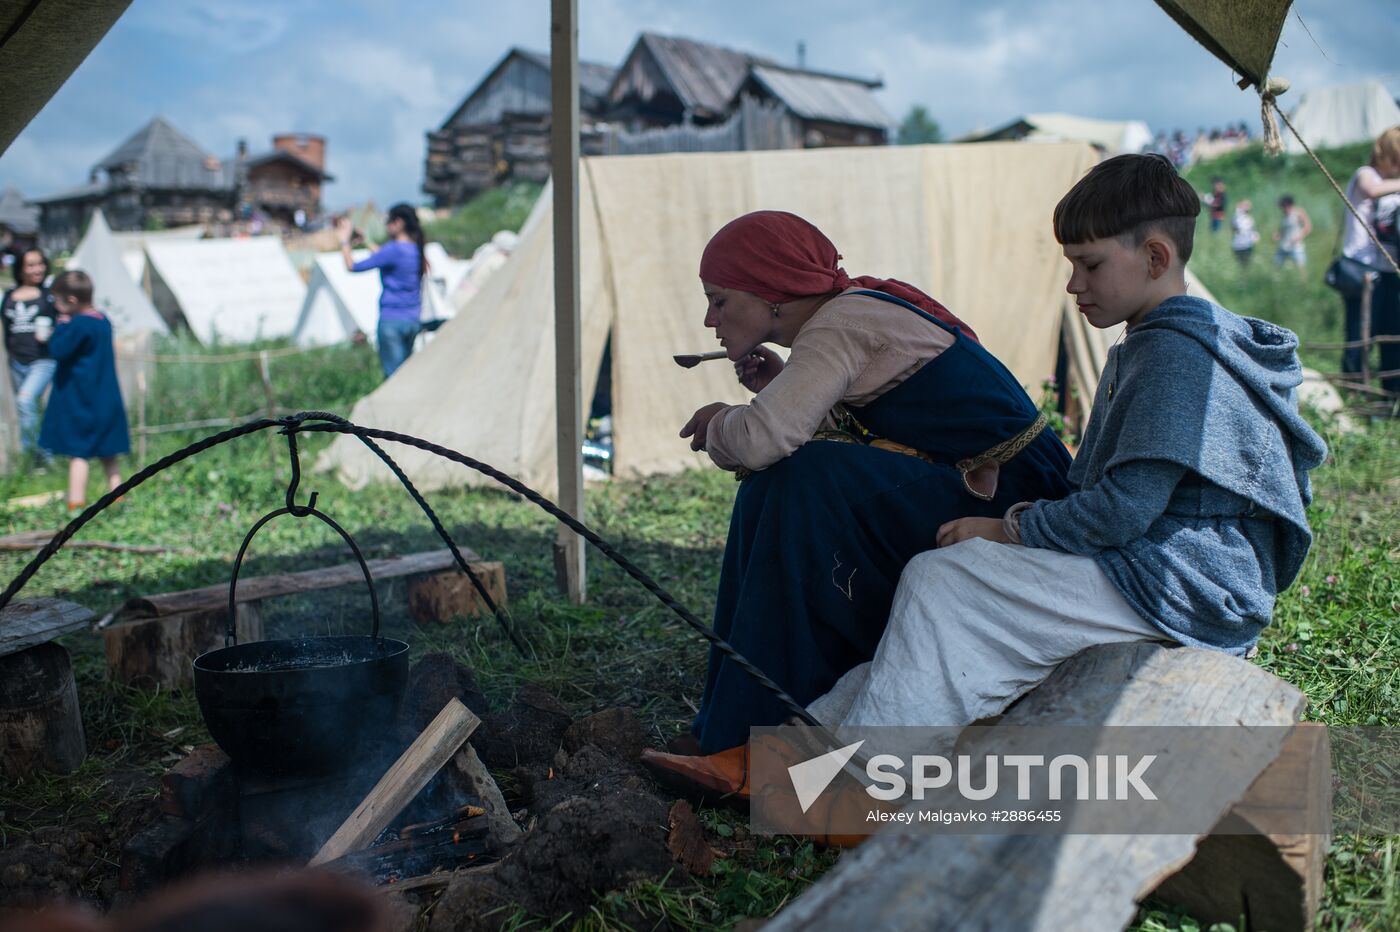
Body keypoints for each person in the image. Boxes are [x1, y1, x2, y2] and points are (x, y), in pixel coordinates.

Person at [803, 154, 1325, 746]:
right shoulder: (1161, 339)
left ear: (1155, 256)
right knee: (943, 606)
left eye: (1090, 264)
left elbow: (1121, 510)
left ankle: (867, 780)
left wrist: (1008, 529)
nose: (1075, 284)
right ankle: (807, 751)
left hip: (1185, 586)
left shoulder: (1175, 356)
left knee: (941, 583)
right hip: (1159, 568)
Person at [641, 210, 1074, 790]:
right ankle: (728, 728)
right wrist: (779, 388)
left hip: (1015, 501)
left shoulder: (841, 322)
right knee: (781, 483)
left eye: (720, 301)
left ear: (771, 294)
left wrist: (723, 421)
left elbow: (762, 439)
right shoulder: (849, 314)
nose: (709, 319)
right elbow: (880, 434)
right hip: (977, 483)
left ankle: (756, 736)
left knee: (802, 481)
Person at [38, 271, 129, 511]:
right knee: (109, 454)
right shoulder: (103, 320)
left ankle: (75, 505)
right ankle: (118, 500)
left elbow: (59, 350)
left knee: (79, 454)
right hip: (106, 399)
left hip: (82, 401)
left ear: (70, 301)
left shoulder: (77, 324)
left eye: (57, 302)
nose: (56, 308)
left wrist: (60, 328)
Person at [1337, 126, 1400, 389]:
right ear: (1384, 155)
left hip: (1386, 269)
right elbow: (1372, 191)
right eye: (1396, 161)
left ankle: (1390, 389)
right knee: (1360, 332)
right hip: (1361, 266)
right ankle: (1353, 387)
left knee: (1389, 331)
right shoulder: (1367, 175)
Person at [337, 203, 426, 378]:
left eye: (388, 222)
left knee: (393, 378)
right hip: (412, 319)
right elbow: (383, 256)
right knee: (406, 375)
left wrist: (344, 240)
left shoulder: (393, 249)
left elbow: (352, 266)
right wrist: (366, 241)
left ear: (398, 223)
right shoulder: (414, 249)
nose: (386, 226)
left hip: (392, 320)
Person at [2, 248, 59, 460]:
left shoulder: (50, 296)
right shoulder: (8, 296)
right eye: (31, 265)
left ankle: (36, 456)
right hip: (16, 360)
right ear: (21, 269)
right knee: (29, 409)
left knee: (25, 401)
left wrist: (54, 332)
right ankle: (45, 454)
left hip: (42, 360)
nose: (37, 269)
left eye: (40, 263)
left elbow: (65, 322)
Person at [1273, 195, 1312, 274]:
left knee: (1301, 268)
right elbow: (1282, 231)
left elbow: (1308, 226)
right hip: (1284, 246)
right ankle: (1275, 281)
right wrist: (1277, 235)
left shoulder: (1298, 212)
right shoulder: (1284, 216)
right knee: (1276, 265)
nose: (1282, 208)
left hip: (1296, 246)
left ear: (1288, 205)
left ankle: (1303, 284)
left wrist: (1300, 236)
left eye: (1283, 205)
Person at [1231, 198, 1259, 266]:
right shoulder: (1236, 217)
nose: (1248, 207)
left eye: (1248, 206)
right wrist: (1238, 208)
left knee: (1246, 264)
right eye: (1246, 205)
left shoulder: (1250, 219)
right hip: (1238, 245)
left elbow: (1253, 231)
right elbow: (1235, 224)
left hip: (1247, 245)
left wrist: (1255, 236)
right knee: (1239, 264)